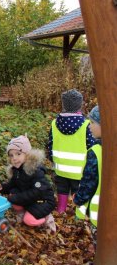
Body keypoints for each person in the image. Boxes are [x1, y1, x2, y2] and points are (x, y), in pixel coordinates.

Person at [47, 89, 96, 213]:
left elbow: (50, 145)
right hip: (79, 170)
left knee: (62, 189)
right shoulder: (86, 125)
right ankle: (77, 213)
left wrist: (53, 159)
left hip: (60, 168)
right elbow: (91, 146)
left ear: (64, 105)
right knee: (77, 191)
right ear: (79, 105)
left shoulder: (54, 123)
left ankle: (61, 210)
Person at [0, 135, 57, 233]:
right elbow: (13, 184)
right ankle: (24, 213)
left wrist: (17, 198)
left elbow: (36, 192)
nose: (14, 158)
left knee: (29, 220)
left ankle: (46, 218)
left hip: (43, 201)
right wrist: (3, 188)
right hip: (30, 199)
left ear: (27, 154)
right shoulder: (17, 169)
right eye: (11, 155)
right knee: (13, 196)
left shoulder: (35, 171)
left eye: (18, 154)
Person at [74, 105, 102, 248]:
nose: (88, 126)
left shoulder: (96, 152)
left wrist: (79, 199)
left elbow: (89, 182)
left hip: (99, 213)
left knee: (101, 244)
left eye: (92, 123)